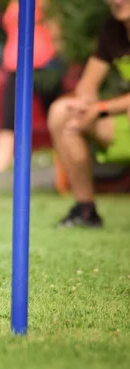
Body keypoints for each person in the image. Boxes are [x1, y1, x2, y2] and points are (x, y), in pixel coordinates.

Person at [48, 0, 130, 228]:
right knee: (61, 111)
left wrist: (99, 109)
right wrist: (84, 104)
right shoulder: (113, 30)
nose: (116, 1)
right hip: (123, 125)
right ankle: (85, 210)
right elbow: (88, 84)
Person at [0, 0, 64, 173]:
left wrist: (59, 61)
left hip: (44, 65)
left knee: (57, 119)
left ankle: (67, 169)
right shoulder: (14, 3)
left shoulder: (46, 3)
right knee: (8, 120)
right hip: (14, 66)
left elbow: (57, 31)